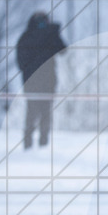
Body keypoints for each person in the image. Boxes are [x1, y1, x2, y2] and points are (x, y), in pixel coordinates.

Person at [16, 12, 67, 149]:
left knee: (45, 113)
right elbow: (21, 61)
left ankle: (42, 145)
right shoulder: (26, 37)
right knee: (32, 113)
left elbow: (62, 50)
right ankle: (28, 145)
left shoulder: (50, 37)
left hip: (48, 81)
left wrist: (55, 32)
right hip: (33, 81)